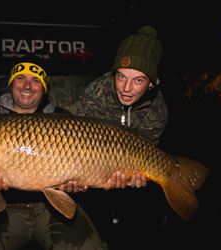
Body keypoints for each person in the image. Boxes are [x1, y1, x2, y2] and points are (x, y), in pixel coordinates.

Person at [0, 55, 144, 250]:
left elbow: (88, 170)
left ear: (44, 88)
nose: (27, 86)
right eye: (21, 78)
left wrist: (76, 185)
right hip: (5, 212)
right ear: (11, 83)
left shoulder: (63, 119)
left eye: (36, 80)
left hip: (51, 212)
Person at [66, 25, 169, 248]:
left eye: (138, 80)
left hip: (130, 173)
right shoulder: (96, 93)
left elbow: (146, 152)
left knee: (140, 223)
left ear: (152, 83)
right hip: (95, 166)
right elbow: (80, 143)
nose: (126, 88)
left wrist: (138, 176)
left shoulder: (158, 110)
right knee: (94, 220)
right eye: (121, 77)